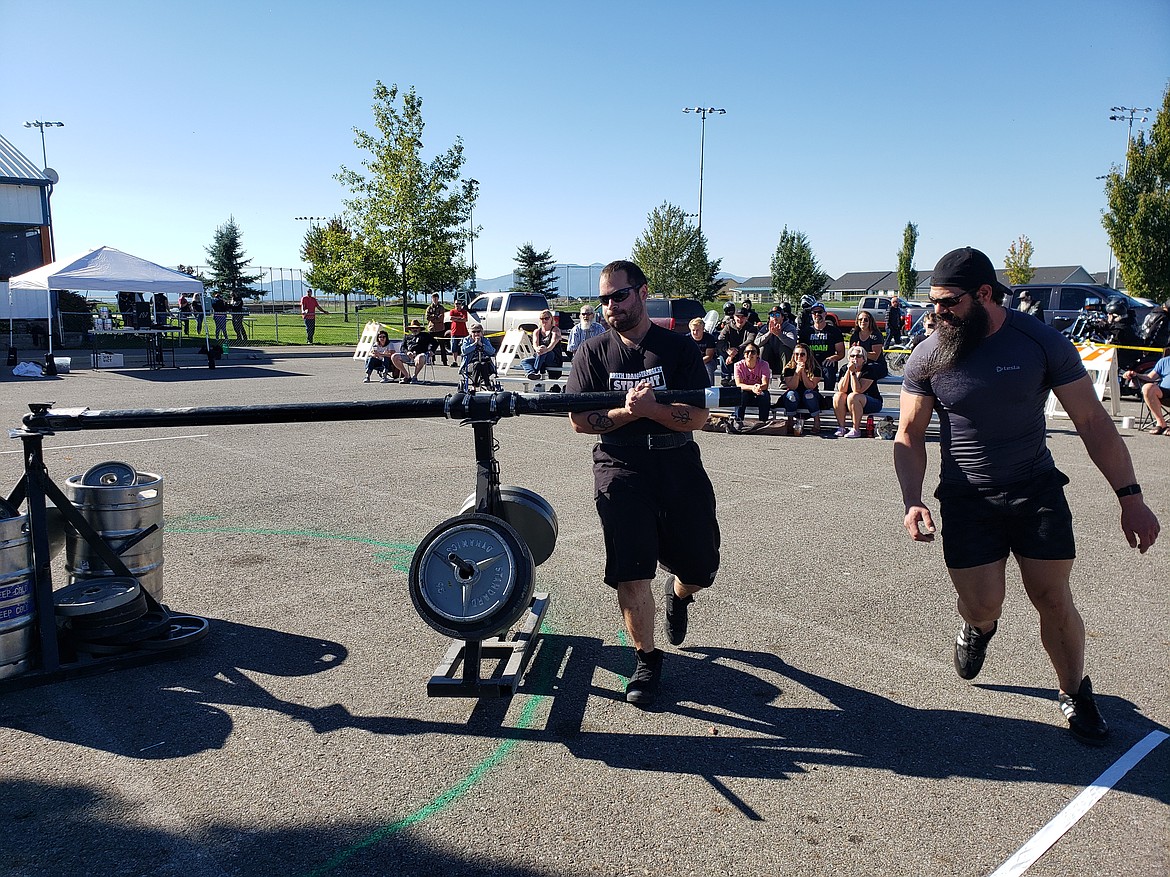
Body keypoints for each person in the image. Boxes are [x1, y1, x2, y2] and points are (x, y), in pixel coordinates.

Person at [894, 246, 1160, 744]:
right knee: (982, 604)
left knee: (1053, 598)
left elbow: (1092, 422)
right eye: (933, 303)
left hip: (1035, 489)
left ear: (985, 295)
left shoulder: (1040, 342)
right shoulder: (930, 354)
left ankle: (1074, 692)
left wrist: (1130, 497)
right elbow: (908, 433)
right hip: (966, 497)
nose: (937, 314)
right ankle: (978, 630)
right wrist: (913, 499)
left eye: (948, 302)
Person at [566, 260, 720, 708]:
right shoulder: (592, 353)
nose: (610, 306)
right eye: (603, 299)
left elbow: (698, 417)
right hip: (620, 466)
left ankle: (680, 596)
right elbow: (579, 420)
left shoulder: (677, 350)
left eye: (619, 296)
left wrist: (653, 410)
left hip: (676, 462)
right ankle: (647, 660)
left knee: (700, 566)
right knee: (631, 570)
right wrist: (628, 413)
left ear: (642, 292)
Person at [832, 346, 884, 437]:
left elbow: (858, 390)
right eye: (852, 356)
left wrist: (853, 373)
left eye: (858, 356)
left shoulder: (869, 370)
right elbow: (841, 389)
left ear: (864, 359)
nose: (855, 358)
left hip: (871, 402)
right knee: (838, 396)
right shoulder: (844, 368)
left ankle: (856, 429)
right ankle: (841, 427)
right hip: (851, 403)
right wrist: (848, 371)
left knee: (853, 396)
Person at [1123, 347, 1170, 434]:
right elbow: (1149, 377)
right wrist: (1135, 374)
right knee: (1147, 388)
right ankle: (1161, 424)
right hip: (1165, 393)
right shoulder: (1164, 361)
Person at [800, 302, 845, 390]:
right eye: (814, 313)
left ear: (825, 314)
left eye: (820, 312)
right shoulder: (806, 332)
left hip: (827, 363)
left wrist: (833, 358)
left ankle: (828, 398)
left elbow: (841, 353)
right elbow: (800, 350)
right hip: (811, 363)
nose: (817, 314)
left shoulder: (834, 332)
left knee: (829, 370)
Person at [780, 342, 823, 435]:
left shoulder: (815, 369)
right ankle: (790, 421)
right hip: (794, 397)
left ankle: (817, 421)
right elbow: (792, 387)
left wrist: (803, 372)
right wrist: (796, 373)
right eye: (796, 354)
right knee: (791, 394)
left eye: (802, 354)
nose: (799, 356)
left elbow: (810, 386)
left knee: (808, 394)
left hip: (811, 397)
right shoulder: (788, 369)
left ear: (807, 356)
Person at [731, 342, 771, 431]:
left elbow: (765, 384)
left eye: (753, 352)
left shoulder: (764, 364)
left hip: (759, 391)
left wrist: (758, 387)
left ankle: (763, 423)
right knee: (740, 394)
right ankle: (738, 421)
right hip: (746, 392)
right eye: (747, 352)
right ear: (744, 354)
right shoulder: (738, 365)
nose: (750, 354)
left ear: (757, 355)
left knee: (764, 395)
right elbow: (739, 384)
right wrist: (752, 387)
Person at [717, 307, 756, 386]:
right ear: (734, 317)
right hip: (730, 353)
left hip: (743, 352)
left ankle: (738, 377)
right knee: (722, 354)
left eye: (743, 317)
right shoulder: (728, 327)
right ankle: (726, 377)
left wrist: (736, 350)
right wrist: (728, 350)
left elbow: (750, 340)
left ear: (747, 317)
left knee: (746, 353)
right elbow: (721, 340)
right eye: (738, 316)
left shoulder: (751, 328)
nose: (740, 319)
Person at [519, 310, 563, 380]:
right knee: (524, 361)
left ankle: (535, 372)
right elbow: (535, 345)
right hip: (540, 356)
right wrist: (538, 349)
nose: (544, 321)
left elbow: (552, 344)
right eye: (542, 319)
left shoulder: (555, 330)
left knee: (543, 349)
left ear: (551, 318)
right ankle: (531, 373)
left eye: (546, 318)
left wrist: (545, 350)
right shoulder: (537, 331)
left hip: (552, 357)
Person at [391, 319, 436, 384]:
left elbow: (435, 343)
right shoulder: (407, 337)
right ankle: (407, 376)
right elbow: (402, 347)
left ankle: (414, 376)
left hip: (422, 355)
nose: (415, 329)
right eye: (413, 328)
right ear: (410, 329)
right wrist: (407, 352)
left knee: (421, 357)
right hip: (409, 356)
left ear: (419, 329)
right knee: (394, 356)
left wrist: (432, 351)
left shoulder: (425, 335)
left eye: (416, 328)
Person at [757, 308, 799, 375]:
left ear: (782, 317)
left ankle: (785, 376)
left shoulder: (790, 328)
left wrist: (779, 334)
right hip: (769, 357)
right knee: (763, 348)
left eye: (777, 314)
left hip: (784, 358)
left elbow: (793, 344)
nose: (774, 317)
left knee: (785, 349)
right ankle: (762, 374)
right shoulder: (765, 328)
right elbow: (756, 343)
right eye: (772, 315)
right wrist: (769, 333)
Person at [849, 310, 887, 380]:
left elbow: (875, 356)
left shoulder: (876, 335)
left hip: (876, 365)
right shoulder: (854, 336)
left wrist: (861, 352)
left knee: (867, 370)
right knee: (846, 368)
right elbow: (851, 355)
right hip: (859, 364)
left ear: (870, 322)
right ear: (857, 321)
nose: (863, 321)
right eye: (860, 319)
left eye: (866, 320)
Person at [460, 324, 498, 390]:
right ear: (470, 332)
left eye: (478, 331)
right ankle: (474, 386)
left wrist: (481, 345)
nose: (476, 333)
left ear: (481, 332)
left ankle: (488, 385)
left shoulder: (485, 340)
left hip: (485, 361)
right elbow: (464, 351)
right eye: (474, 332)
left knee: (483, 364)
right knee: (477, 364)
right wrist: (474, 344)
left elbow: (492, 351)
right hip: (470, 363)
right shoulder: (466, 340)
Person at [687, 317, 718, 386]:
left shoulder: (709, 338)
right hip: (691, 360)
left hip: (707, 360)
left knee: (708, 367)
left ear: (703, 329)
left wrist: (697, 363)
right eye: (693, 330)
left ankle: (710, 386)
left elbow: (709, 356)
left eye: (697, 330)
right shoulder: (687, 339)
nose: (695, 332)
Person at [425, 293, 449, 366]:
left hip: (440, 329)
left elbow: (441, 318)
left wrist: (433, 318)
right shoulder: (429, 308)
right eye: (433, 298)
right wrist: (435, 316)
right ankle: (432, 360)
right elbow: (427, 317)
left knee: (442, 346)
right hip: (432, 329)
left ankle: (444, 361)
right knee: (431, 346)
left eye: (436, 298)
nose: (435, 299)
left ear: (438, 299)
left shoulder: (441, 308)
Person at [448, 297, 470, 367]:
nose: (458, 305)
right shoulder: (452, 311)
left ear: (461, 304)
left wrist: (456, 318)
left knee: (463, 348)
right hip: (454, 332)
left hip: (463, 332)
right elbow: (451, 318)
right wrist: (460, 318)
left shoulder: (464, 311)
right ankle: (455, 361)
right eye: (456, 304)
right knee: (454, 348)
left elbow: (465, 320)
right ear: (454, 304)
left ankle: (463, 361)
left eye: (459, 304)